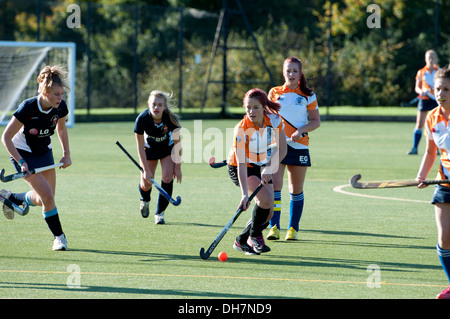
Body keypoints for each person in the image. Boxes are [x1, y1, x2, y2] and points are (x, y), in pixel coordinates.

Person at [1, 65, 72, 251]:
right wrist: (21, 162)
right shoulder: (28, 107)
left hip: (44, 152)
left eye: (62, 94)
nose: (60, 98)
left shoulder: (60, 107)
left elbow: (61, 128)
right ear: (45, 91)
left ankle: (12, 197)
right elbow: (6, 138)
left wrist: (66, 154)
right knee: (48, 197)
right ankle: (59, 237)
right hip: (22, 153)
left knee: (44, 199)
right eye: (56, 94)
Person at [227, 88, 287, 255]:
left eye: (255, 107)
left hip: (261, 164)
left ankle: (241, 240)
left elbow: (282, 149)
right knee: (266, 200)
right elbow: (240, 163)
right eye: (248, 108)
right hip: (240, 166)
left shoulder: (274, 120)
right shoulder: (241, 129)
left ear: (264, 107)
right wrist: (244, 195)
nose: (251, 112)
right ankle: (255, 237)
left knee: (269, 212)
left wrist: (270, 167)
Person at [266, 56, 320, 241]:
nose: (291, 74)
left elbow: (315, 121)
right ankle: (274, 227)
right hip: (277, 146)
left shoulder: (308, 95)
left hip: (299, 146)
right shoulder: (273, 93)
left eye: (295, 71)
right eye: (288, 70)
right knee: (275, 187)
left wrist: (301, 130)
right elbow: (268, 120)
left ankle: (293, 229)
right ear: (283, 72)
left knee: (296, 189)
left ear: (300, 73)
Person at [416, 67, 450, 299]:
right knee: (445, 236)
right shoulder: (431, 117)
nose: (440, 93)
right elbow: (430, 153)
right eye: (438, 88)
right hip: (444, 182)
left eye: (446, 89)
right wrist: (421, 175)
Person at [134, 90, 182, 225]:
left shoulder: (172, 120)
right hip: (148, 150)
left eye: (160, 105)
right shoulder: (142, 119)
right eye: (154, 104)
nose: (156, 107)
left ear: (164, 107)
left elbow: (178, 145)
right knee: (146, 182)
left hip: (167, 149)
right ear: (149, 104)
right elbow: (139, 147)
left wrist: (177, 167)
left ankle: (160, 214)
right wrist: (145, 170)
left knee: (167, 177)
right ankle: (145, 200)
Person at [408, 50, 440, 155]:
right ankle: (414, 148)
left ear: (436, 59)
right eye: (428, 57)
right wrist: (421, 91)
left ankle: (439, 149)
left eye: (432, 57)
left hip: (436, 100)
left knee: (438, 124)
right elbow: (417, 87)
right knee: (419, 124)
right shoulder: (421, 72)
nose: (431, 59)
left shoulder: (439, 71)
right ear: (425, 59)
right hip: (424, 99)